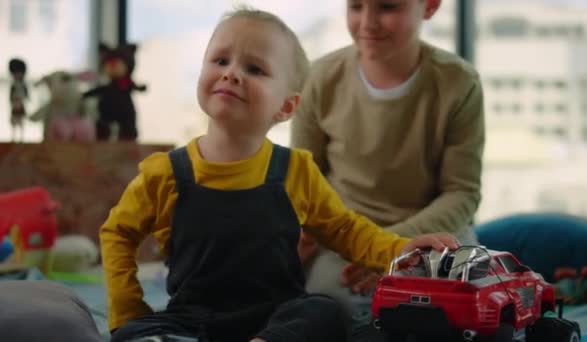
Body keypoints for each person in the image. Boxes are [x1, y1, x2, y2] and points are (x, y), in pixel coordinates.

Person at [100, 7, 459, 342]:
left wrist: (400, 250)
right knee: (136, 332)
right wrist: (127, 308)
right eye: (220, 60)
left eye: (255, 69)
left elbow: (346, 231)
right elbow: (118, 232)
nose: (231, 73)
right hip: (192, 319)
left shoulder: (296, 170)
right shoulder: (165, 173)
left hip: (277, 318)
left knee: (324, 311)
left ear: (286, 107)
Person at [290, 0, 485, 329]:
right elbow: (306, 185)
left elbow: (461, 192)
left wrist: (392, 248)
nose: (367, 22)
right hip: (344, 240)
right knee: (332, 310)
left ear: (430, 7)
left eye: (387, 7)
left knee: (465, 309)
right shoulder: (320, 78)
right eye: (355, 7)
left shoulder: (459, 83)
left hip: (434, 237)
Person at [8, 58, 29, 142]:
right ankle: (14, 137)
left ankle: (21, 137)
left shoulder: (23, 85)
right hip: (14, 105)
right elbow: (11, 95)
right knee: (14, 121)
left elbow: (26, 95)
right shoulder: (13, 85)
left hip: (20, 104)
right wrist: (12, 101)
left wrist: (22, 99)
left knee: (20, 121)